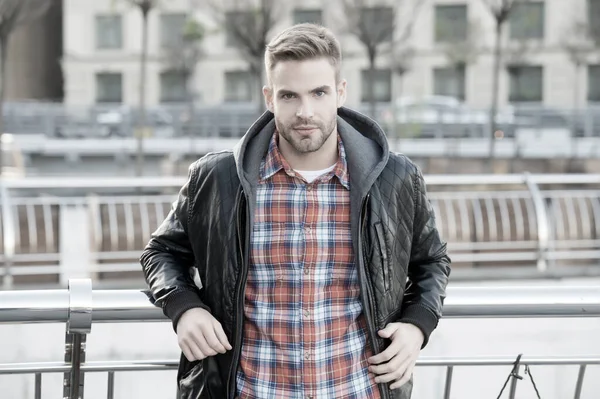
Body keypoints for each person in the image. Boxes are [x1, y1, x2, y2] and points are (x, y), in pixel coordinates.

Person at [140, 23, 451, 399]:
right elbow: (161, 252)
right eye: (289, 96)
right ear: (269, 98)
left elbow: (432, 261)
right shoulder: (217, 179)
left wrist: (417, 325)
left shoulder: (395, 179)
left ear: (340, 92)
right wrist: (184, 307)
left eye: (319, 92)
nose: (305, 111)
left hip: (358, 389)